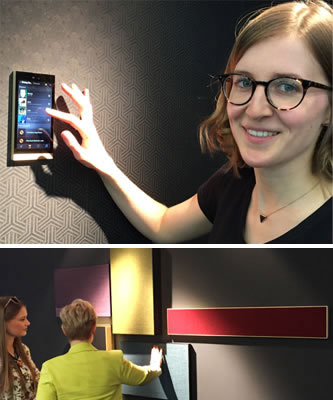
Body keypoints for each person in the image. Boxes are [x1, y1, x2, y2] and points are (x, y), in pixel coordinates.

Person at [46, 0, 332, 244]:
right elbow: (163, 225)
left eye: (287, 87)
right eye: (244, 81)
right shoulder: (232, 183)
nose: (255, 109)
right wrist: (103, 163)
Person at [36, 299, 162, 400]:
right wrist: (155, 366)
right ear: (94, 327)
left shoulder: (50, 368)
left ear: (64, 330)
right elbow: (142, 377)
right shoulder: (114, 360)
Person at [0, 296, 40, 400]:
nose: (28, 323)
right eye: (22, 319)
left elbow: (39, 380)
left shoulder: (24, 350)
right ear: (4, 322)